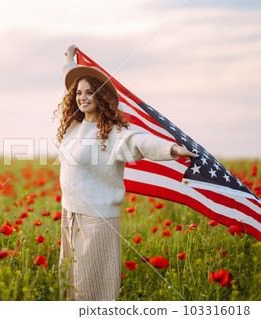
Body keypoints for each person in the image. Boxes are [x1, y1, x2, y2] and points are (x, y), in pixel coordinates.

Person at [54, 45, 197, 301]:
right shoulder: (75, 125)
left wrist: (172, 148)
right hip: (70, 213)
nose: (82, 97)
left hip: (97, 220)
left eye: (90, 92)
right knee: (70, 281)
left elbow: (140, 142)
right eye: (79, 92)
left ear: (102, 97)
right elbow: (71, 88)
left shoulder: (112, 131)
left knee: (92, 286)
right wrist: (69, 63)